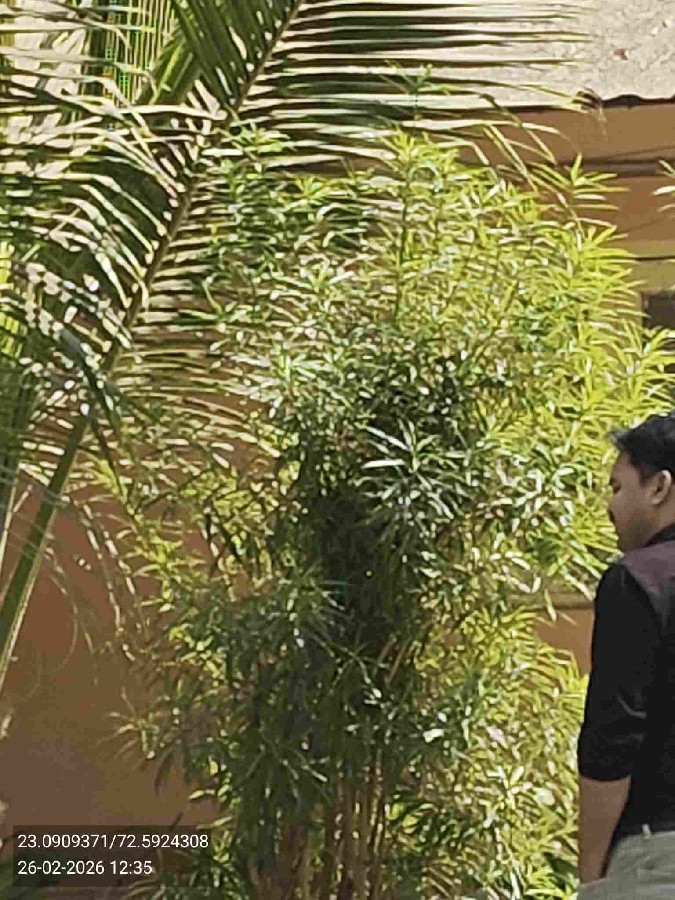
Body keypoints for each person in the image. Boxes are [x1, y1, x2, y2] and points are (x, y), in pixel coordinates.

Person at [577, 412, 675, 897]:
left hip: (658, 858)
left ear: (659, 487)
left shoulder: (638, 580)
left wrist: (591, 870)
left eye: (618, 487)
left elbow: (614, 735)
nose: (609, 506)